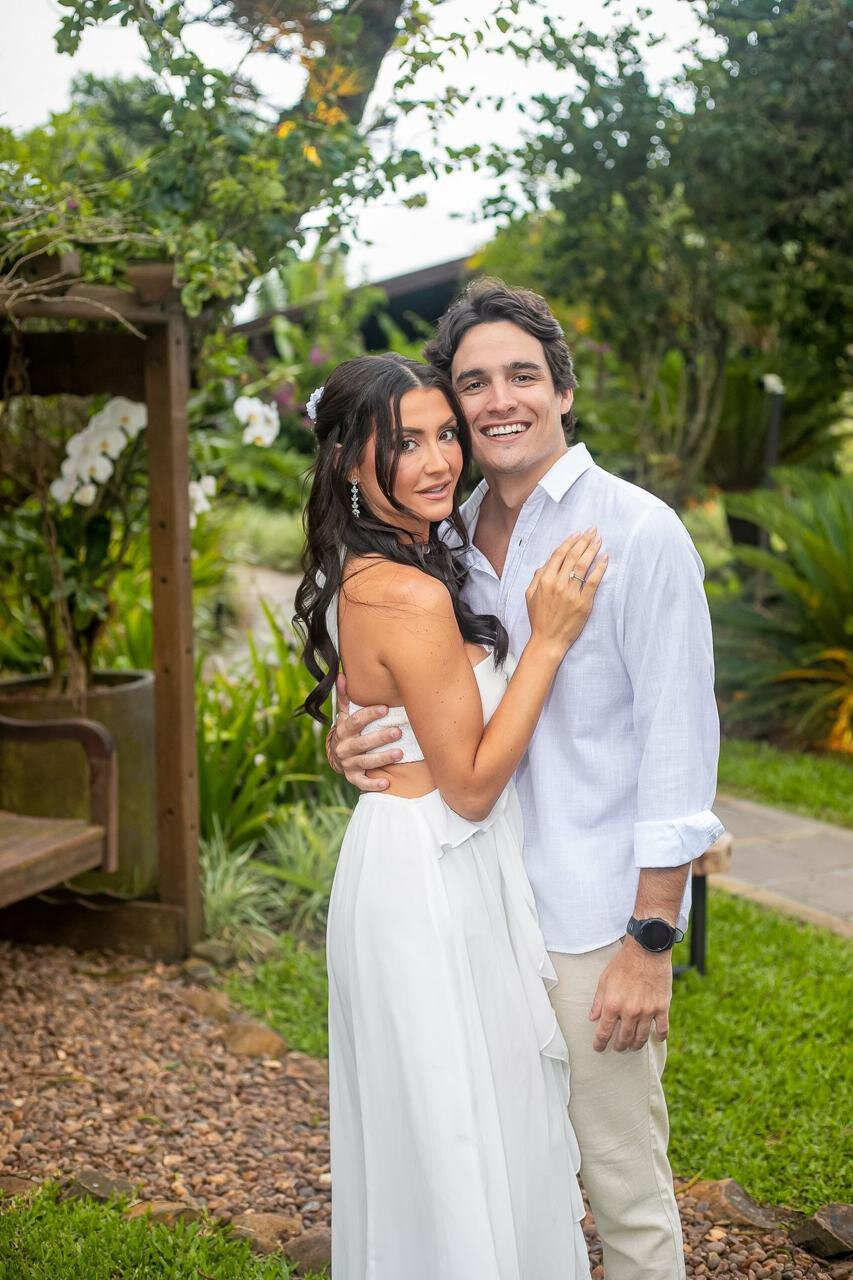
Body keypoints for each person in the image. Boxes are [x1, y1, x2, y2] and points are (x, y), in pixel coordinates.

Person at [328, 281, 725, 1280]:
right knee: (504, 1175)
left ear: (563, 390)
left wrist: (650, 939)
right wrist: (355, 736)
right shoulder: (444, 539)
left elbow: (678, 756)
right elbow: (417, 693)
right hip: (475, 914)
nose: (498, 400)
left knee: (623, 1187)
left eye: (521, 376)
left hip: (590, 922)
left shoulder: (637, 533)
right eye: (474, 383)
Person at [294, 352, 603, 1279]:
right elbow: (469, 786)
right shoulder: (409, 590)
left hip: (424, 857)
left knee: (452, 1124)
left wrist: (346, 736)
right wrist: (545, 642)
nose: (438, 462)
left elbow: (393, 712)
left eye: (444, 435)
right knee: (456, 1127)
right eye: (406, 443)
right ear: (350, 461)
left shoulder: (389, 561)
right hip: (429, 873)